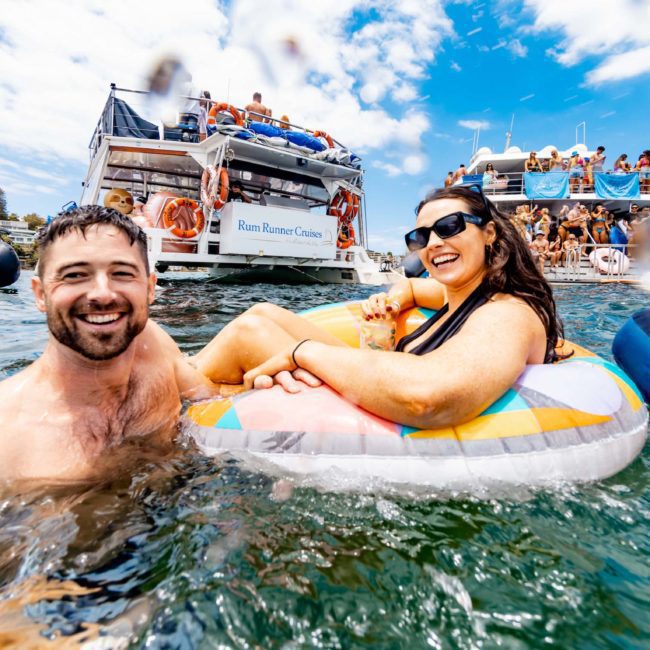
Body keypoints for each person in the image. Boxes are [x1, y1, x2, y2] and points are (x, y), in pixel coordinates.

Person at [191, 184, 564, 430]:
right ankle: (191, 388)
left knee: (249, 332)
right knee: (263, 313)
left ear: (490, 233)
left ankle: (182, 401)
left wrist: (303, 353)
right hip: (387, 377)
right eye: (421, 236)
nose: (433, 243)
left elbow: (426, 396)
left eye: (450, 227)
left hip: (396, 411)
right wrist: (394, 300)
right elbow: (416, 289)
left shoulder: (508, 313)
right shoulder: (461, 292)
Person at [0, 206, 222, 482]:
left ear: (150, 288)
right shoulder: (9, 440)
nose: (103, 294)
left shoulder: (151, 342)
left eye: (122, 273)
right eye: (74, 275)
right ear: (40, 294)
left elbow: (210, 398)